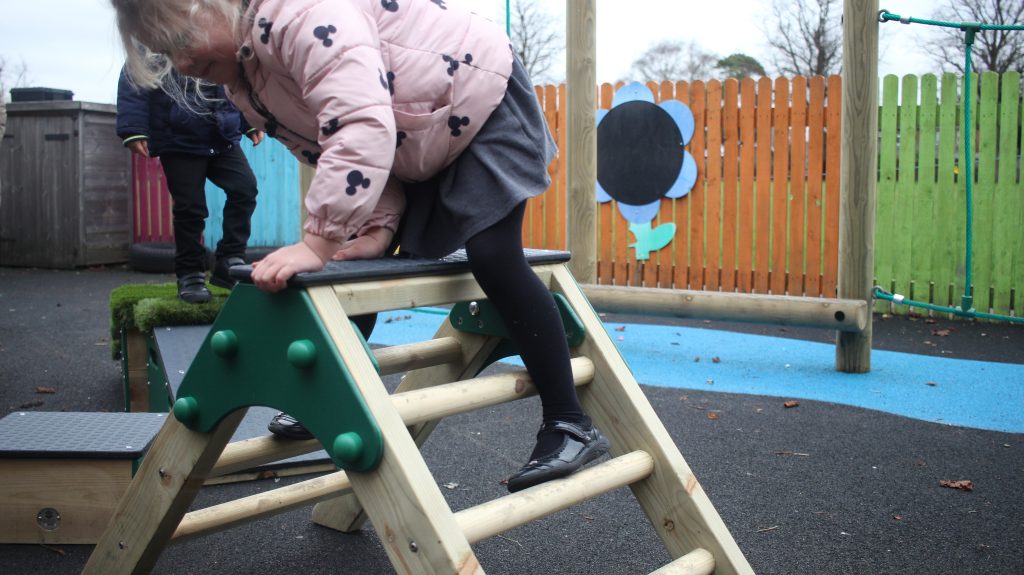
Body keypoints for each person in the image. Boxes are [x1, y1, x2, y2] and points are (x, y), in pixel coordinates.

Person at [110, 0, 609, 493]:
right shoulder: (246, 82)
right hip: (414, 134)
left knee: (493, 256)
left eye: (179, 42)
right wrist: (374, 226)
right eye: (163, 55)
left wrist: (318, 239)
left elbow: (361, 126)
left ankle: (569, 423)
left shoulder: (302, 15)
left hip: (478, 95)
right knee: (354, 260)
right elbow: (335, 147)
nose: (182, 65)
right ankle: (330, 395)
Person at [116, 65, 263, 303]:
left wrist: (249, 122)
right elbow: (135, 81)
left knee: (245, 188)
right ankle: (190, 273)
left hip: (220, 136)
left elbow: (232, 84)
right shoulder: (153, 46)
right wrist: (133, 130)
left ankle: (229, 260)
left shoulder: (211, 37)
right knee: (190, 208)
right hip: (178, 139)